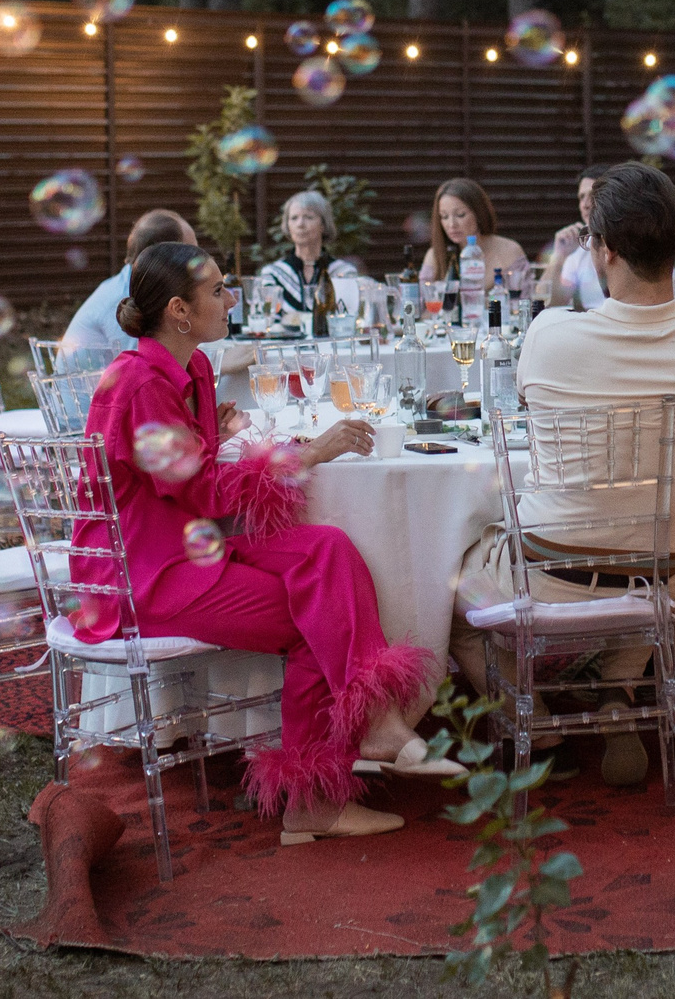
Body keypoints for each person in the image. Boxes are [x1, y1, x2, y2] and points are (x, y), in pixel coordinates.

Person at [76, 242, 454, 844]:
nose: (232, 300)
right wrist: (311, 452)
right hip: (145, 571)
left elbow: (190, 473)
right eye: (219, 290)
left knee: (326, 549)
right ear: (178, 309)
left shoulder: (194, 367)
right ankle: (315, 800)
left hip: (189, 544)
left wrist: (216, 430)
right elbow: (199, 490)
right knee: (317, 615)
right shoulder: (139, 383)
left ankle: (373, 727)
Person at [448, 163, 675, 785]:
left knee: (451, 587)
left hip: (548, 577)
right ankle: (618, 690)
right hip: (662, 574)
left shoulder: (551, 333)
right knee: (661, 558)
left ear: (604, 249)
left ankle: (529, 730)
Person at [59, 209, 197, 370]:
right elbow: (146, 370)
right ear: (164, 258)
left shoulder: (128, 285)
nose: (198, 259)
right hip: (88, 394)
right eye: (191, 252)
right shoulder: (125, 300)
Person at [257, 189, 359, 321]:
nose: (300, 224)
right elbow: (265, 320)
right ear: (288, 225)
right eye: (294, 218)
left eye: (308, 217)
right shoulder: (273, 274)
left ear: (323, 224)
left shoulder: (343, 273)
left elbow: (349, 319)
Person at [417, 177, 533, 291]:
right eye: (444, 216)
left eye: (460, 214)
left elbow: (525, 301)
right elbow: (418, 303)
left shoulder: (509, 251)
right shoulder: (435, 254)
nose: (451, 224)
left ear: (479, 214)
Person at [540, 167, 609, 311]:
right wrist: (559, 257)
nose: (585, 204)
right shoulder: (581, 247)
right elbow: (548, 302)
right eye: (581, 197)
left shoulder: (631, 240)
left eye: (592, 195)